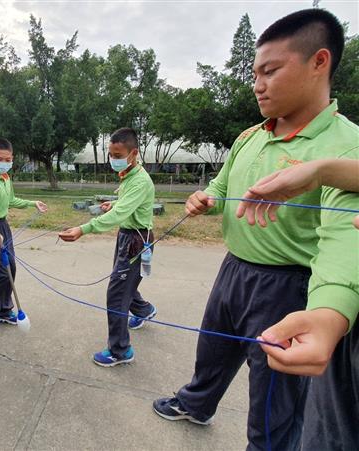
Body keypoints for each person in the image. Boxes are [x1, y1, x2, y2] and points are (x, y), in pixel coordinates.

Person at [152, 9, 357, 450]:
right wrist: (203, 197)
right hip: (233, 270)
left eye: (271, 71)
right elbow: (221, 184)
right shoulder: (249, 136)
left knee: (273, 394)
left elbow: (345, 238)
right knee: (212, 351)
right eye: (254, 74)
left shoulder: (345, 147)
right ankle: (197, 403)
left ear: (319, 62)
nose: (258, 85)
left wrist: (330, 309)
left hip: (287, 286)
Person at [236, 158, 359, 450]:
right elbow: (348, 218)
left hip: (290, 280)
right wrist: (322, 172)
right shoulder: (250, 138)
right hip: (341, 323)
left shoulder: (347, 136)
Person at [58, 127, 157, 367]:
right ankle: (144, 310)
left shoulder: (139, 180)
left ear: (133, 153)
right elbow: (126, 205)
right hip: (129, 237)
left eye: (117, 154)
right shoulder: (130, 174)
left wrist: (84, 228)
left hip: (136, 241)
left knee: (116, 294)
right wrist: (113, 204)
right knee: (125, 284)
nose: (113, 159)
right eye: (110, 154)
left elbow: (122, 213)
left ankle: (121, 350)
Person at [0, 137, 47, 335]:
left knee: (10, 269)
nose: (5, 163)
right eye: (1, 159)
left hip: (3, 226)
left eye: (8, 160)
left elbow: (11, 200)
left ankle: (3, 310)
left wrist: (33, 204)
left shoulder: (6, 179)